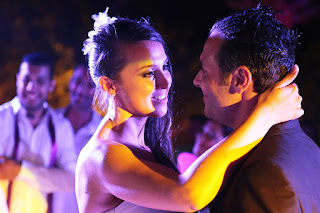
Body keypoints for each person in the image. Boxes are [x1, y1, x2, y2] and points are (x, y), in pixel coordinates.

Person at [75, 8, 303, 213]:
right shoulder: (104, 156)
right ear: (109, 85)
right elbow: (188, 196)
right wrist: (265, 115)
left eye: (165, 67)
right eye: (148, 73)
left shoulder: (145, 146)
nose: (166, 82)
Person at [192, 5, 320, 212]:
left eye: (205, 70)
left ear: (240, 79)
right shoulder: (310, 151)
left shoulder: (263, 171)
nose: (197, 80)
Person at [0, 52, 77, 213]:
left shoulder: (61, 127)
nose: (31, 88)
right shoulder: (2, 118)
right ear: (17, 79)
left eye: (40, 81)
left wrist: (20, 170)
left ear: (51, 85)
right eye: (26, 79)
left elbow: (70, 180)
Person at [55, 61, 102, 212]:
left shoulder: (102, 133)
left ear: (99, 90)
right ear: (70, 82)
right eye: (77, 81)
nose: (81, 89)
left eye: (89, 85)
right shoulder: (50, 121)